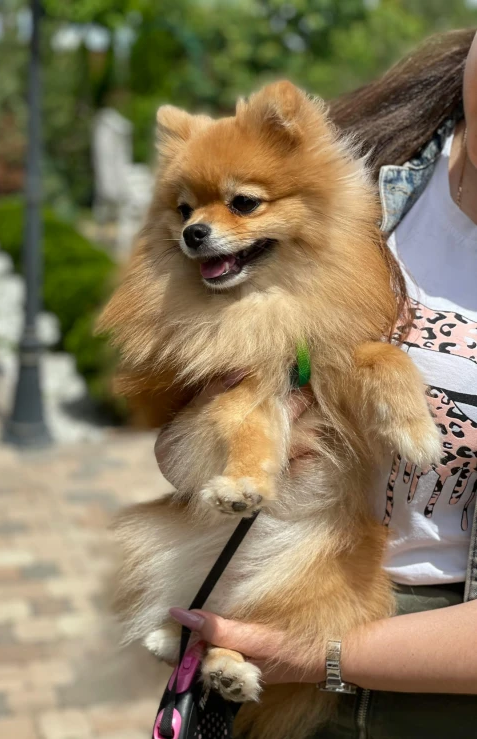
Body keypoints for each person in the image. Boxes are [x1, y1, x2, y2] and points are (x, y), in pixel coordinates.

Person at [158, 27, 477, 738]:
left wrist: (321, 652)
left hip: (433, 677)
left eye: (241, 205)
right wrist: (230, 425)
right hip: (264, 580)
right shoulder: (380, 168)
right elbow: (175, 427)